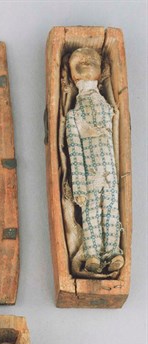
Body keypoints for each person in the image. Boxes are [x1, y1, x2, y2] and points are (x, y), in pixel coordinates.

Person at [66, 48, 123, 274]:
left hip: (109, 171)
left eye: (91, 59)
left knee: (111, 209)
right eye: (78, 60)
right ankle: (92, 255)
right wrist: (79, 186)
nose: (85, 60)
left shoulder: (107, 106)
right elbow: (75, 154)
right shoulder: (74, 115)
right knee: (91, 213)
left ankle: (113, 252)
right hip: (89, 174)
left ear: (101, 71)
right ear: (72, 75)